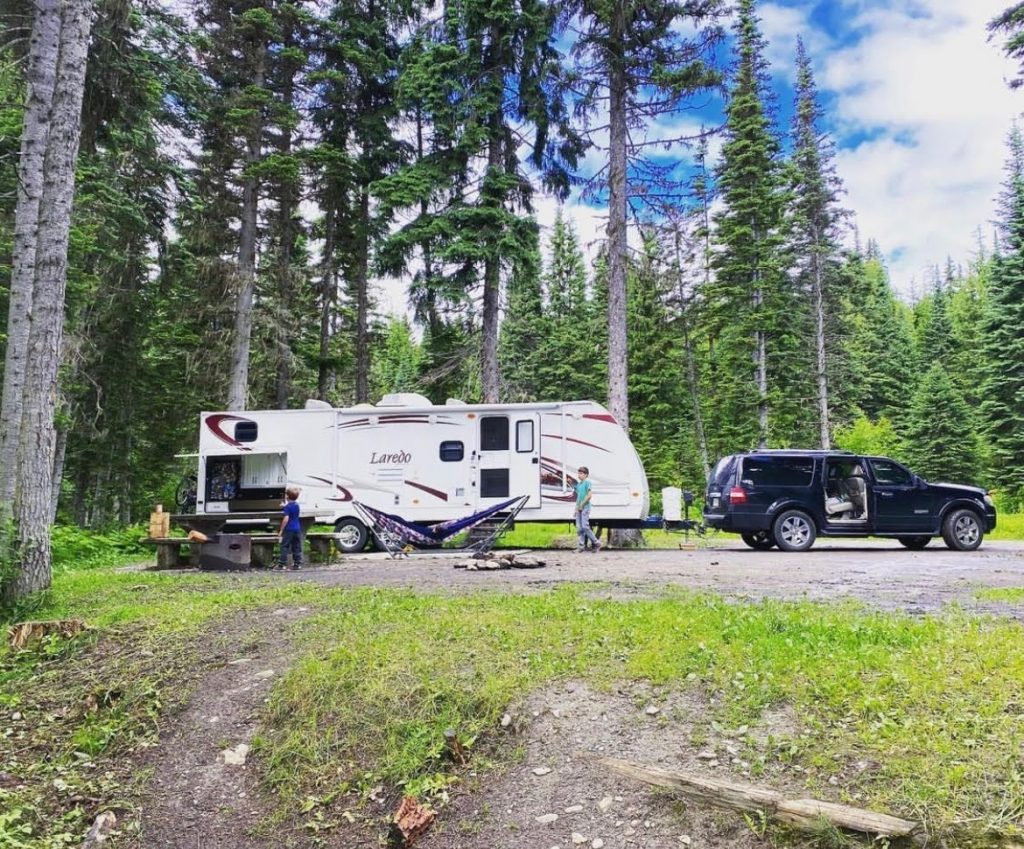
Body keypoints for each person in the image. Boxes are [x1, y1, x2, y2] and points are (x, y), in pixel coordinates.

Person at [574, 466, 602, 553]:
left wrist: (582, 505)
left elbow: (589, 496)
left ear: (586, 475)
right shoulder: (579, 485)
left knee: (585, 526)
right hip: (579, 508)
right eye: (579, 473)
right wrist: (576, 509)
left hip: (585, 507)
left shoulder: (587, 483)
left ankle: (596, 543)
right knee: (579, 528)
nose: (579, 475)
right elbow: (578, 497)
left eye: (581, 473)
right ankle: (581, 546)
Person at [276, 486, 303, 570]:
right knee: (296, 546)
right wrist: (284, 506)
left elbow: (286, 518)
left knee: (285, 546)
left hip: (289, 529)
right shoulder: (297, 505)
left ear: (287, 496)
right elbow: (291, 507)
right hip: (297, 529)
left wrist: (281, 530)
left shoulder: (287, 507)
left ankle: (281, 564)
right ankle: (297, 564)